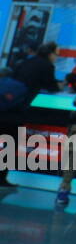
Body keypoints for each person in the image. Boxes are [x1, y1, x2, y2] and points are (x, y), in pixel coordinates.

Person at [0, 41, 59, 188]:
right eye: (56, 54)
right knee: (10, 144)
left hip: (4, 106)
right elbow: (51, 86)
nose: (57, 57)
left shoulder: (27, 61)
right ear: (50, 54)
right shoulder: (47, 66)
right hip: (16, 111)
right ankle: (1, 178)